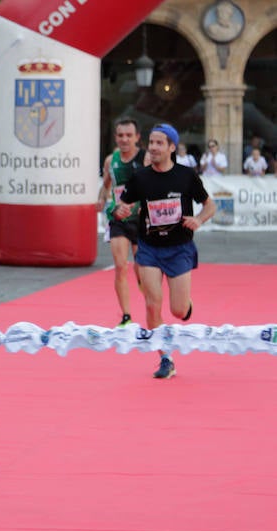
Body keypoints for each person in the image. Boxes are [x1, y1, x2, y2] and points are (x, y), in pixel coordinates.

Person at [115, 124, 216, 379]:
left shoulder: (186, 176)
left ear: (172, 147)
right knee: (152, 305)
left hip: (179, 248)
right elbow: (121, 205)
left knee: (178, 311)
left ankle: (186, 304)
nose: (153, 147)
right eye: (151, 142)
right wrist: (121, 210)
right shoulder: (141, 177)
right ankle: (165, 359)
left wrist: (199, 220)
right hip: (149, 249)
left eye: (160, 143)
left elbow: (209, 205)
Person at [97, 118, 147, 327]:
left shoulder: (145, 159)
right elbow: (106, 184)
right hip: (118, 219)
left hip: (141, 220)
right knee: (120, 266)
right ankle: (126, 316)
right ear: (116, 137)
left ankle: (150, 302)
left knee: (141, 270)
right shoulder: (111, 161)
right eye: (120, 135)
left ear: (137, 137)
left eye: (129, 135)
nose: (124, 139)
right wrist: (101, 199)